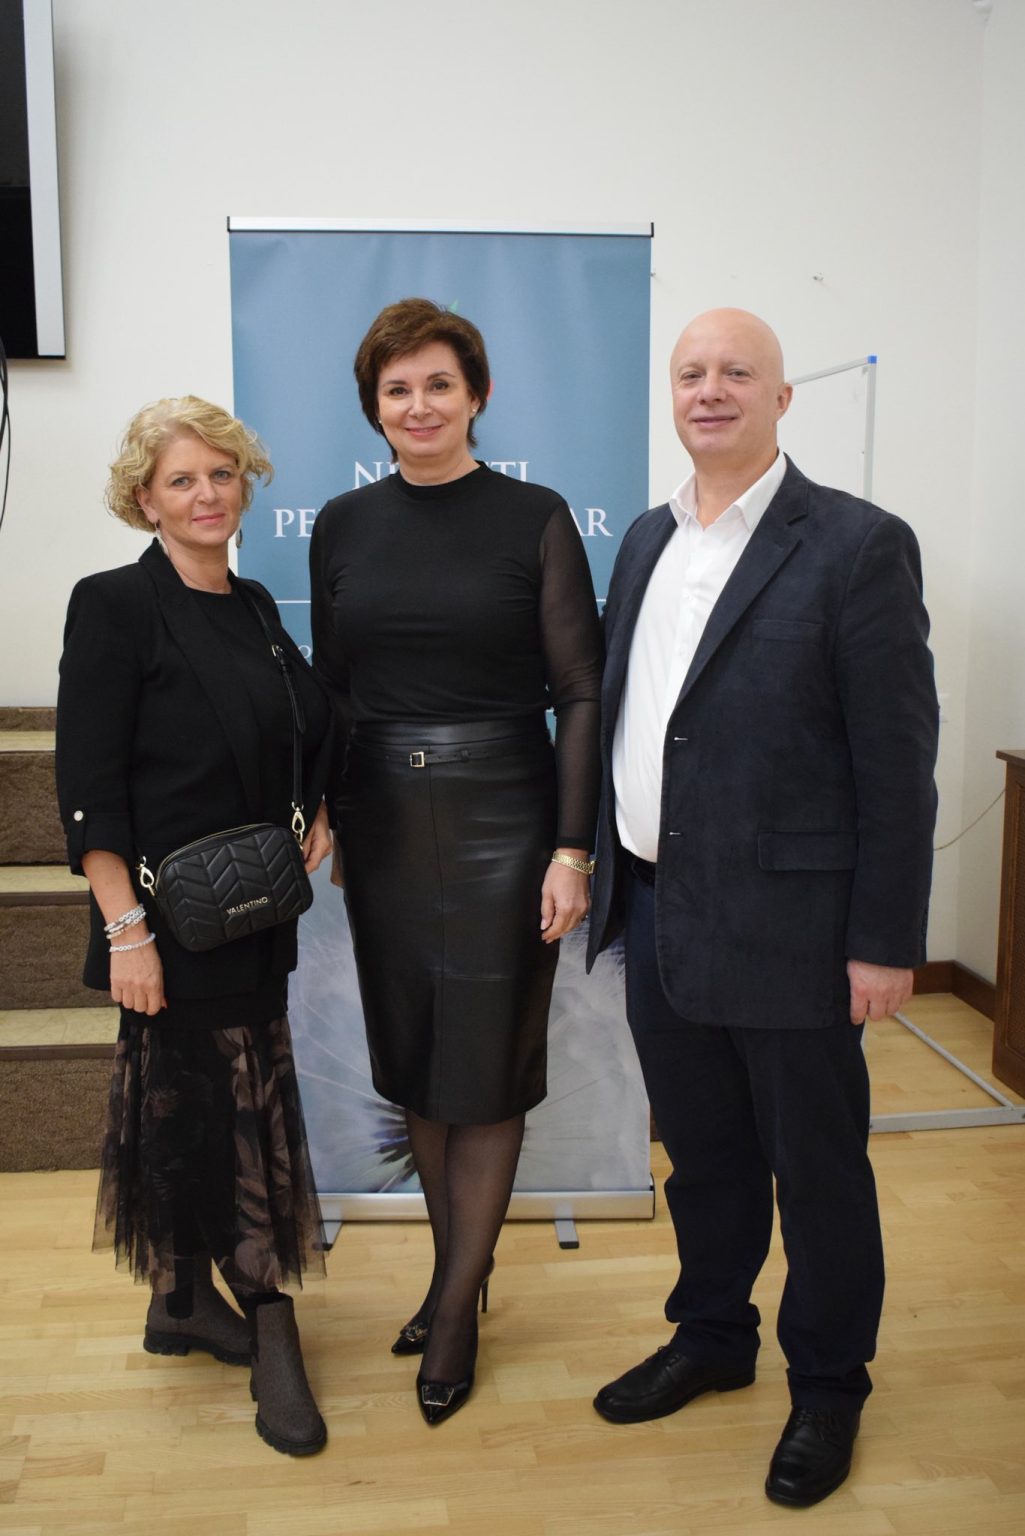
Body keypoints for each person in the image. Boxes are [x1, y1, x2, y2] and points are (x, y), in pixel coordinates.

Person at [586, 309, 939, 1507]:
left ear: (781, 398)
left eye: (736, 372)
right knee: (702, 1156)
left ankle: (828, 1383)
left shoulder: (854, 544)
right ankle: (711, 1336)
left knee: (815, 1167)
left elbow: (895, 762)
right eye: (690, 372)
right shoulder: (645, 538)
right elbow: (638, 717)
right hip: (656, 908)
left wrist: (882, 940)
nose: (709, 390)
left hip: (794, 928)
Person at [310, 298, 602, 1425]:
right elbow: (334, 688)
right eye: (397, 389)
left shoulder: (535, 517)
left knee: (483, 1066)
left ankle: (454, 1310)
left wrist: (570, 847)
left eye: (439, 384)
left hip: (506, 819)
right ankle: (456, 1280)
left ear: (476, 395)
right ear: (374, 408)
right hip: (381, 818)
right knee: (416, 1060)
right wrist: (330, 809)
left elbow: (579, 693)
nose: (418, 405)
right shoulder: (342, 524)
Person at [55, 397, 334, 1457]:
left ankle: (178, 1302)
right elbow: (89, 787)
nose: (207, 494)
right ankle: (266, 1313)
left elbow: (297, 728)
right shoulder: (115, 605)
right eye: (182, 480)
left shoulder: (254, 605)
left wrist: (320, 807)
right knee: (224, 1116)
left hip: (250, 910)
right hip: (166, 926)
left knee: (207, 1106)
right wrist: (124, 932)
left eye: (222, 474)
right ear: (145, 500)